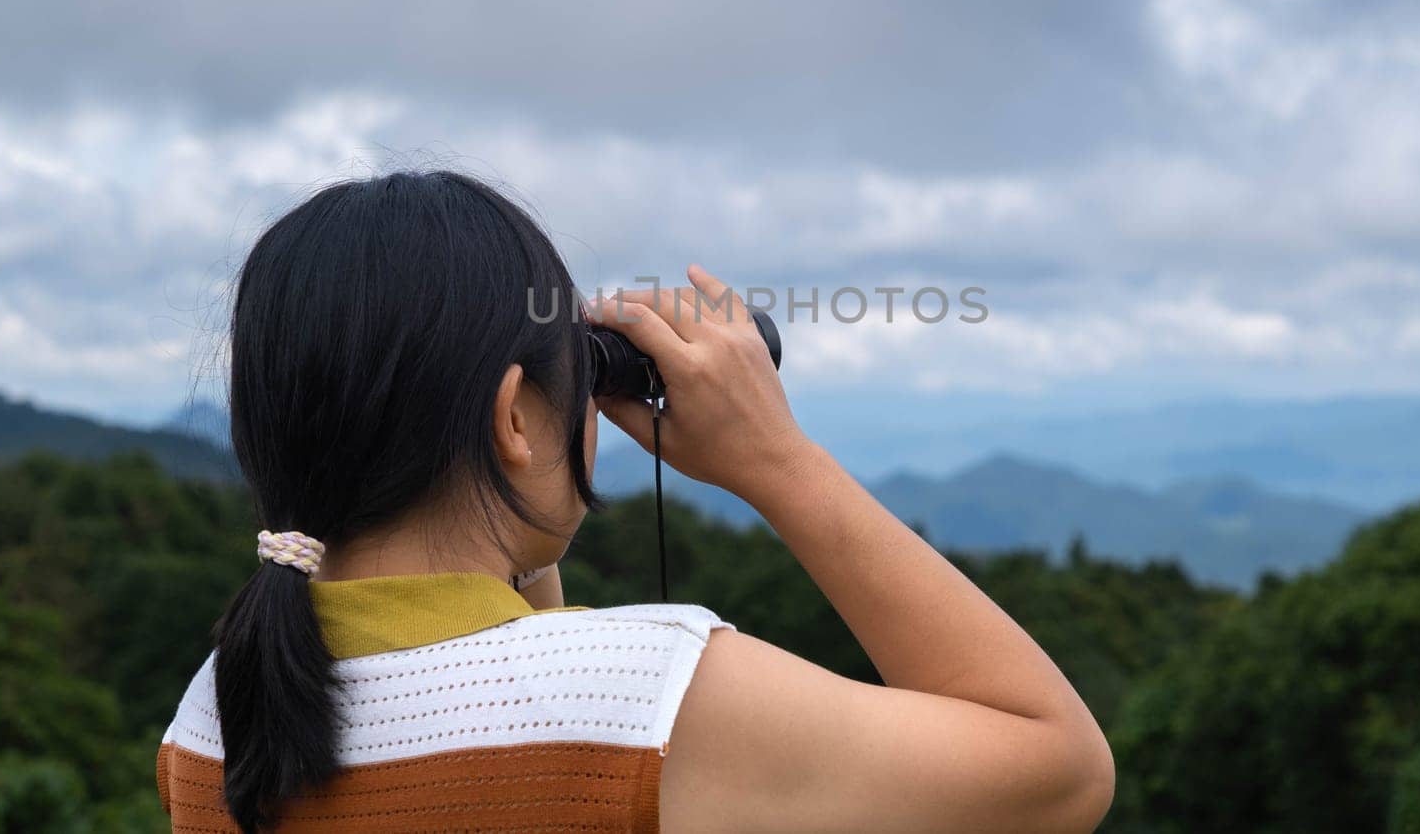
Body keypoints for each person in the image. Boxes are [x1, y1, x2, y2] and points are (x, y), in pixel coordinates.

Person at [156, 168, 1115, 833]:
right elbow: (1059, 770)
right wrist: (774, 457)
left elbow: (506, 688)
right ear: (516, 419)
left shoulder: (219, 717)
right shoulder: (661, 704)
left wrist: (515, 503)